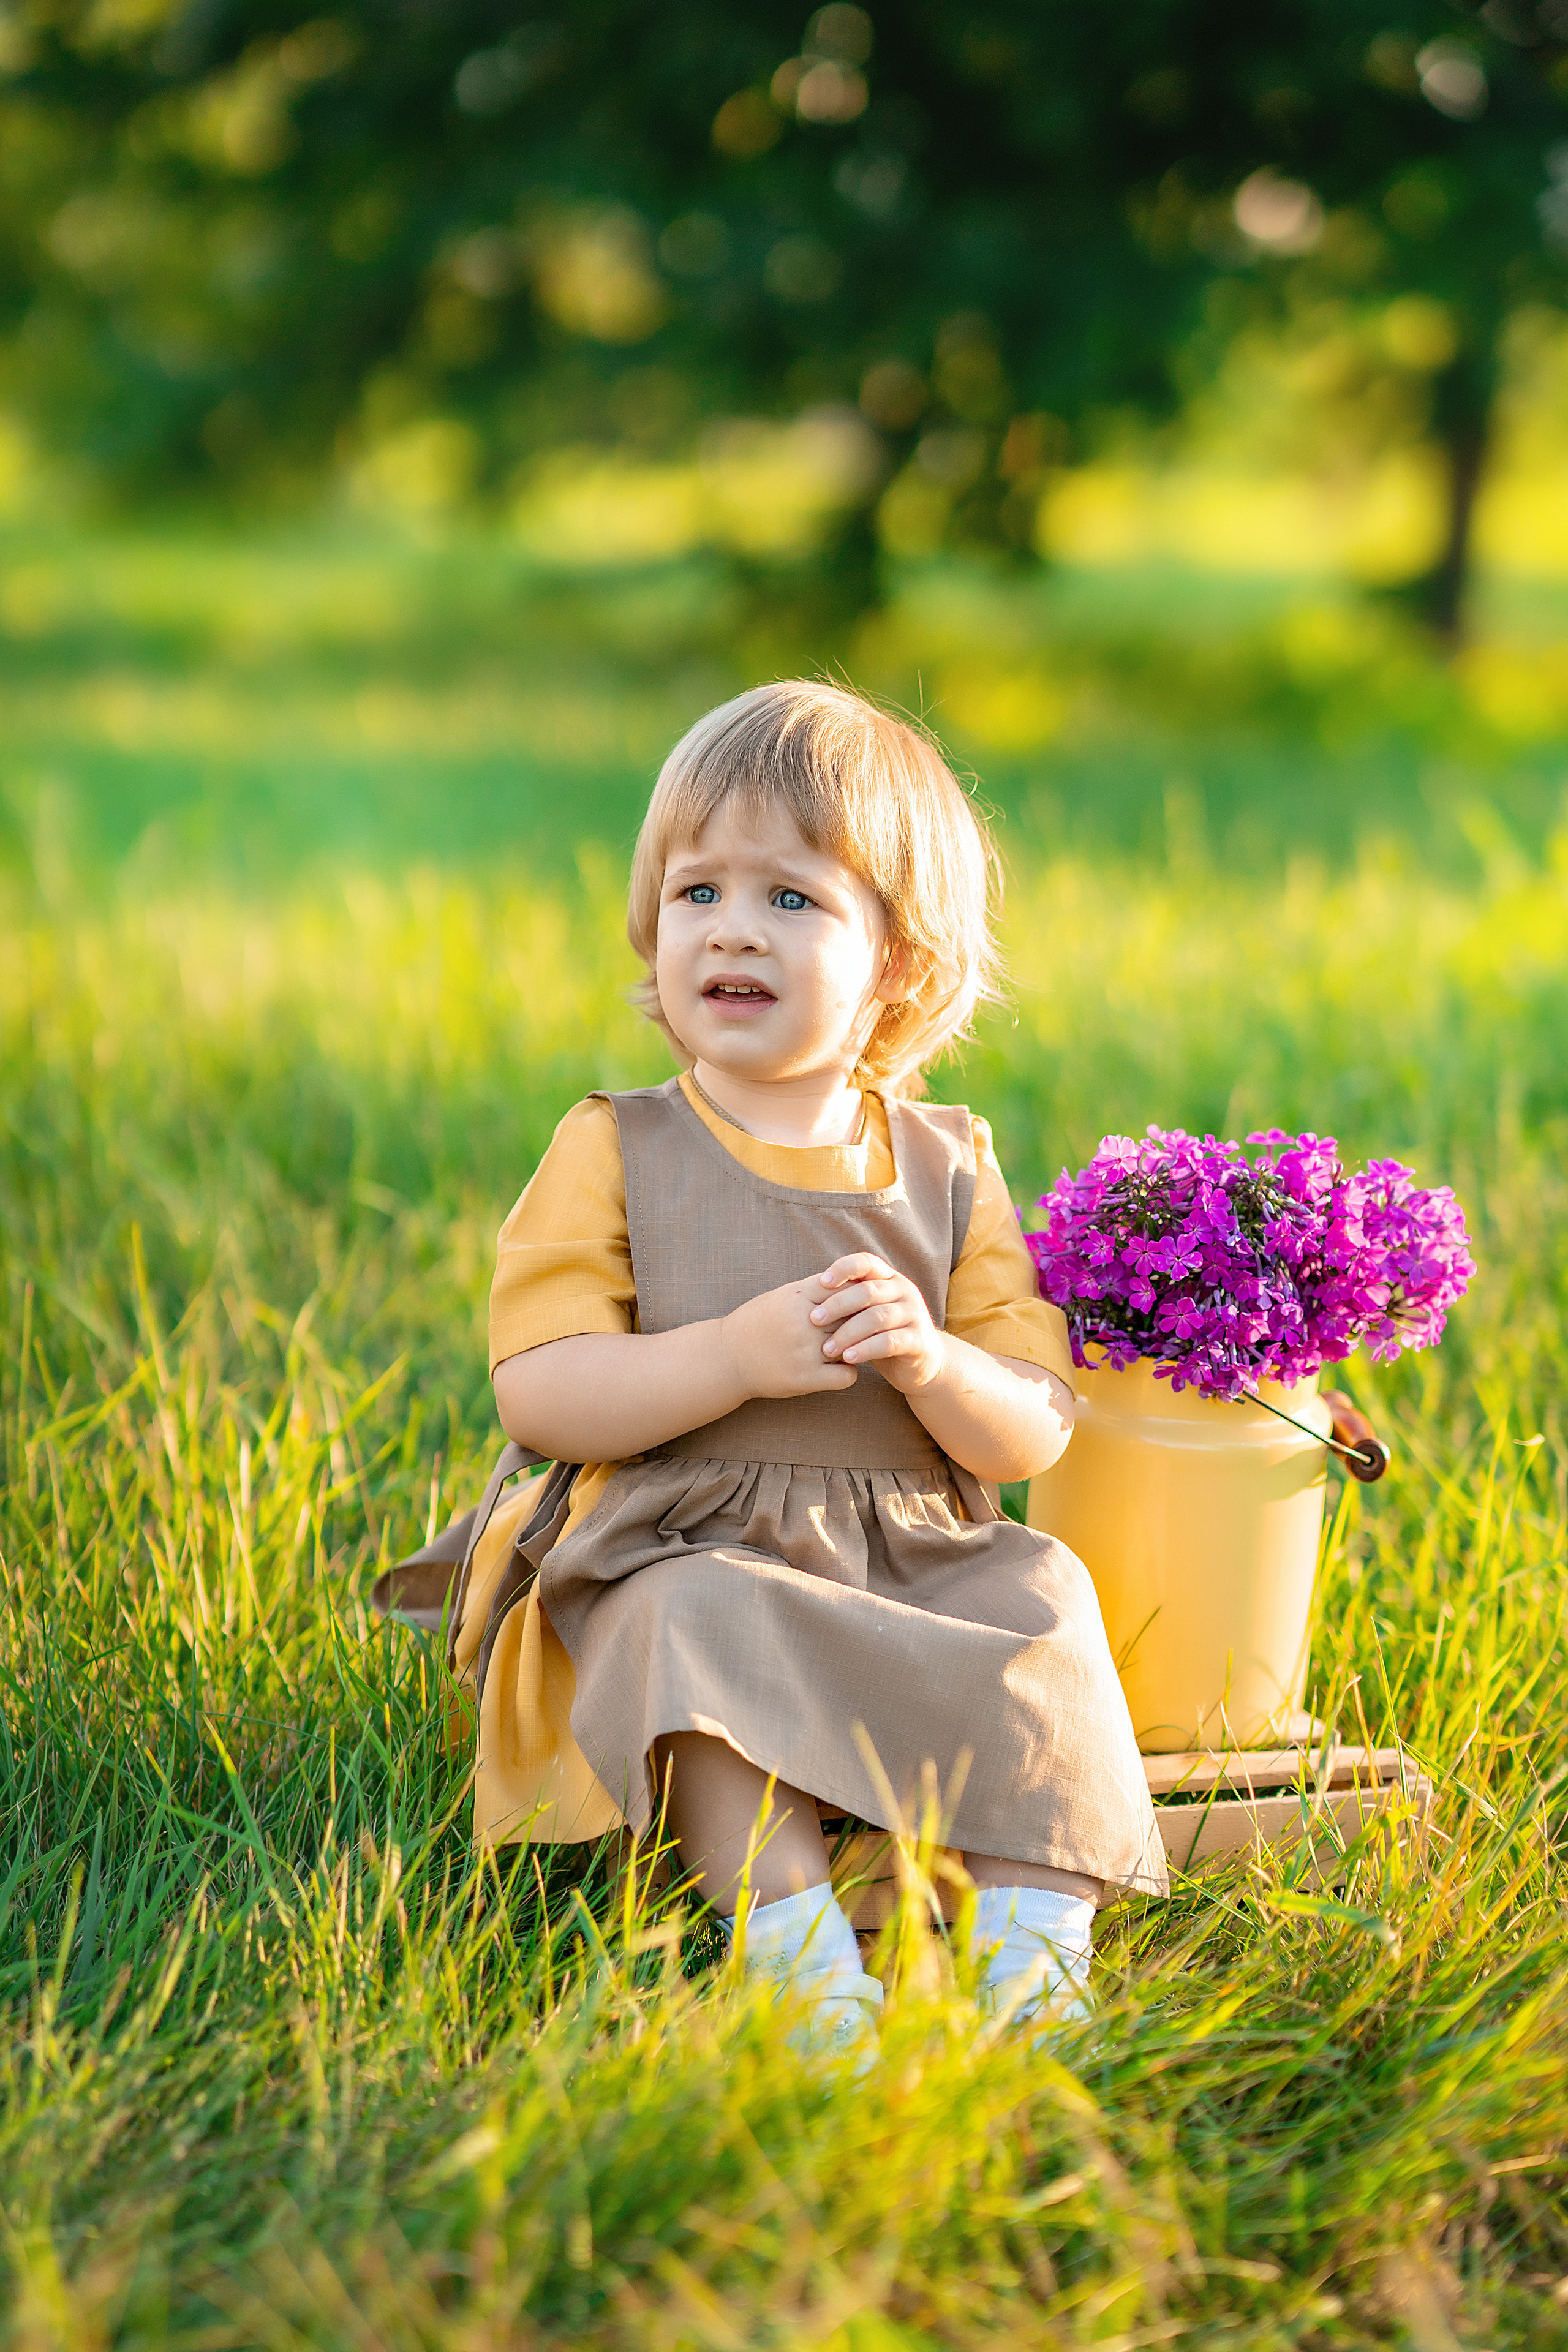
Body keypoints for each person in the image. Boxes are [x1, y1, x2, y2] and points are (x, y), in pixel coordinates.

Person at [444, 680, 1166, 2054]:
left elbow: (1028, 1431)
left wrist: (931, 1364)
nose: (729, 927)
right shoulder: (615, 1147)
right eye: (695, 890)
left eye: (790, 899)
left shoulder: (949, 1163)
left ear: (898, 962)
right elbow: (540, 1392)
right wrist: (727, 1358)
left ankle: (1028, 1964)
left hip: (901, 1550)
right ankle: (805, 1979)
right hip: (687, 1541)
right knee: (692, 1635)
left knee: (1047, 1600)